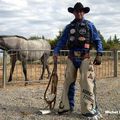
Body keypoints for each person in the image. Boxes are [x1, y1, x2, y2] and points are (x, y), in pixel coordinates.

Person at [53, 2, 103, 120]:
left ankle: (89, 109)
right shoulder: (69, 27)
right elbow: (62, 40)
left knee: (87, 81)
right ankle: (66, 106)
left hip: (85, 57)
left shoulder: (90, 25)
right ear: (73, 13)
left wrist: (99, 54)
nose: (79, 13)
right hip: (71, 57)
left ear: (84, 12)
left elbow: (97, 40)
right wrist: (55, 52)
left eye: (81, 11)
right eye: (77, 11)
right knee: (68, 81)